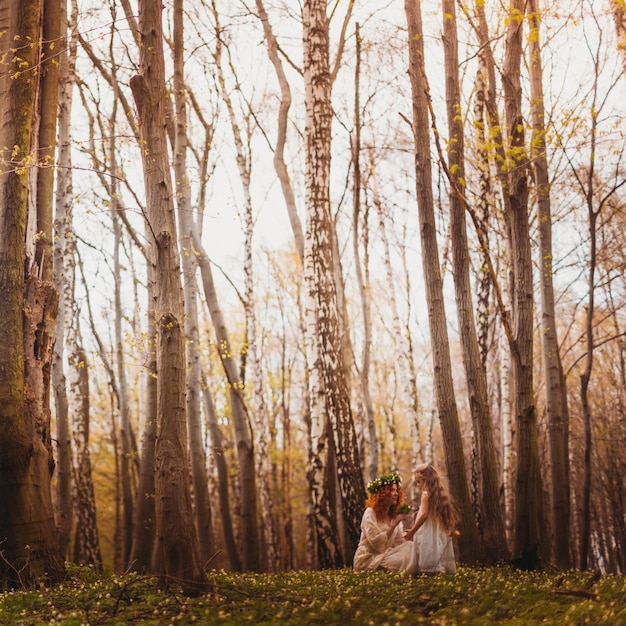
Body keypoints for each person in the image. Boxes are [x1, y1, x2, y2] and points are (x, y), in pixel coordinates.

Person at [353, 471, 414, 573]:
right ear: (383, 494)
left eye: (396, 490)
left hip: (385, 556)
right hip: (369, 559)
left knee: (411, 546)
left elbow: (399, 543)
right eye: (392, 491)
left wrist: (411, 533)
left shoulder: (393, 515)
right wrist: (393, 525)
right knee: (408, 557)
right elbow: (376, 543)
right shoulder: (370, 513)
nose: (396, 494)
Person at [404, 463, 459, 573]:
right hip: (436, 528)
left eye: (419, 481)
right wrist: (418, 513)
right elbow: (427, 512)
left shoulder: (425, 494)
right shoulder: (436, 493)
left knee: (428, 546)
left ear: (426, 479)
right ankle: (440, 568)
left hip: (428, 529)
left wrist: (412, 531)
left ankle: (429, 570)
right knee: (437, 545)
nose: (418, 485)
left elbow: (424, 515)